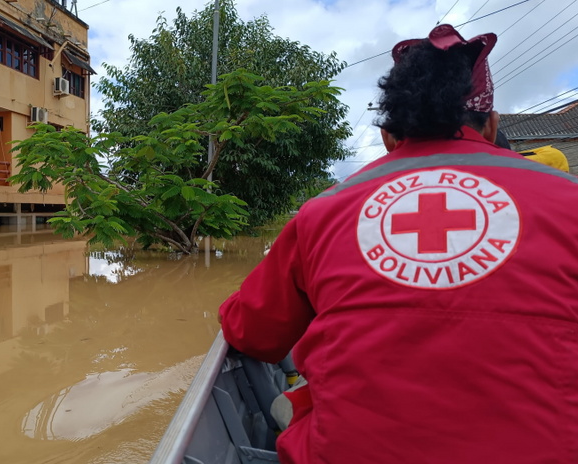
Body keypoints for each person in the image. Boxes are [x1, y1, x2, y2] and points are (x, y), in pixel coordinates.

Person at [218, 24, 578, 464]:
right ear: (492, 126)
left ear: (389, 136)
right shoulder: (569, 200)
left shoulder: (323, 211)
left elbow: (249, 331)